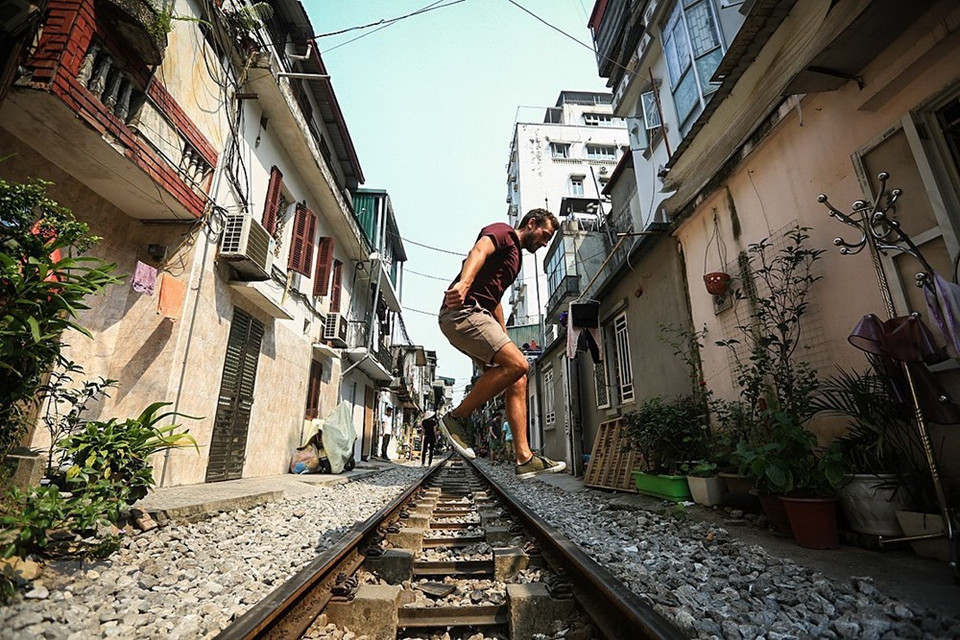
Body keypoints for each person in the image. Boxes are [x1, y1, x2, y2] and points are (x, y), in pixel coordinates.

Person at [438, 209, 567, 479]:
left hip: (479, 315)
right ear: (531, 223)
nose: (544, 243)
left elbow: (495, 298)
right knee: (518, 364)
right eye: (545, 235)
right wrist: (464, 283)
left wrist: (504, 336)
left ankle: (524, 458)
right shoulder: (505, 233)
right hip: (463, 312)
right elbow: (478, 251)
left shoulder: (515, 259)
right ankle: (456, 418)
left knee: (518, 378)